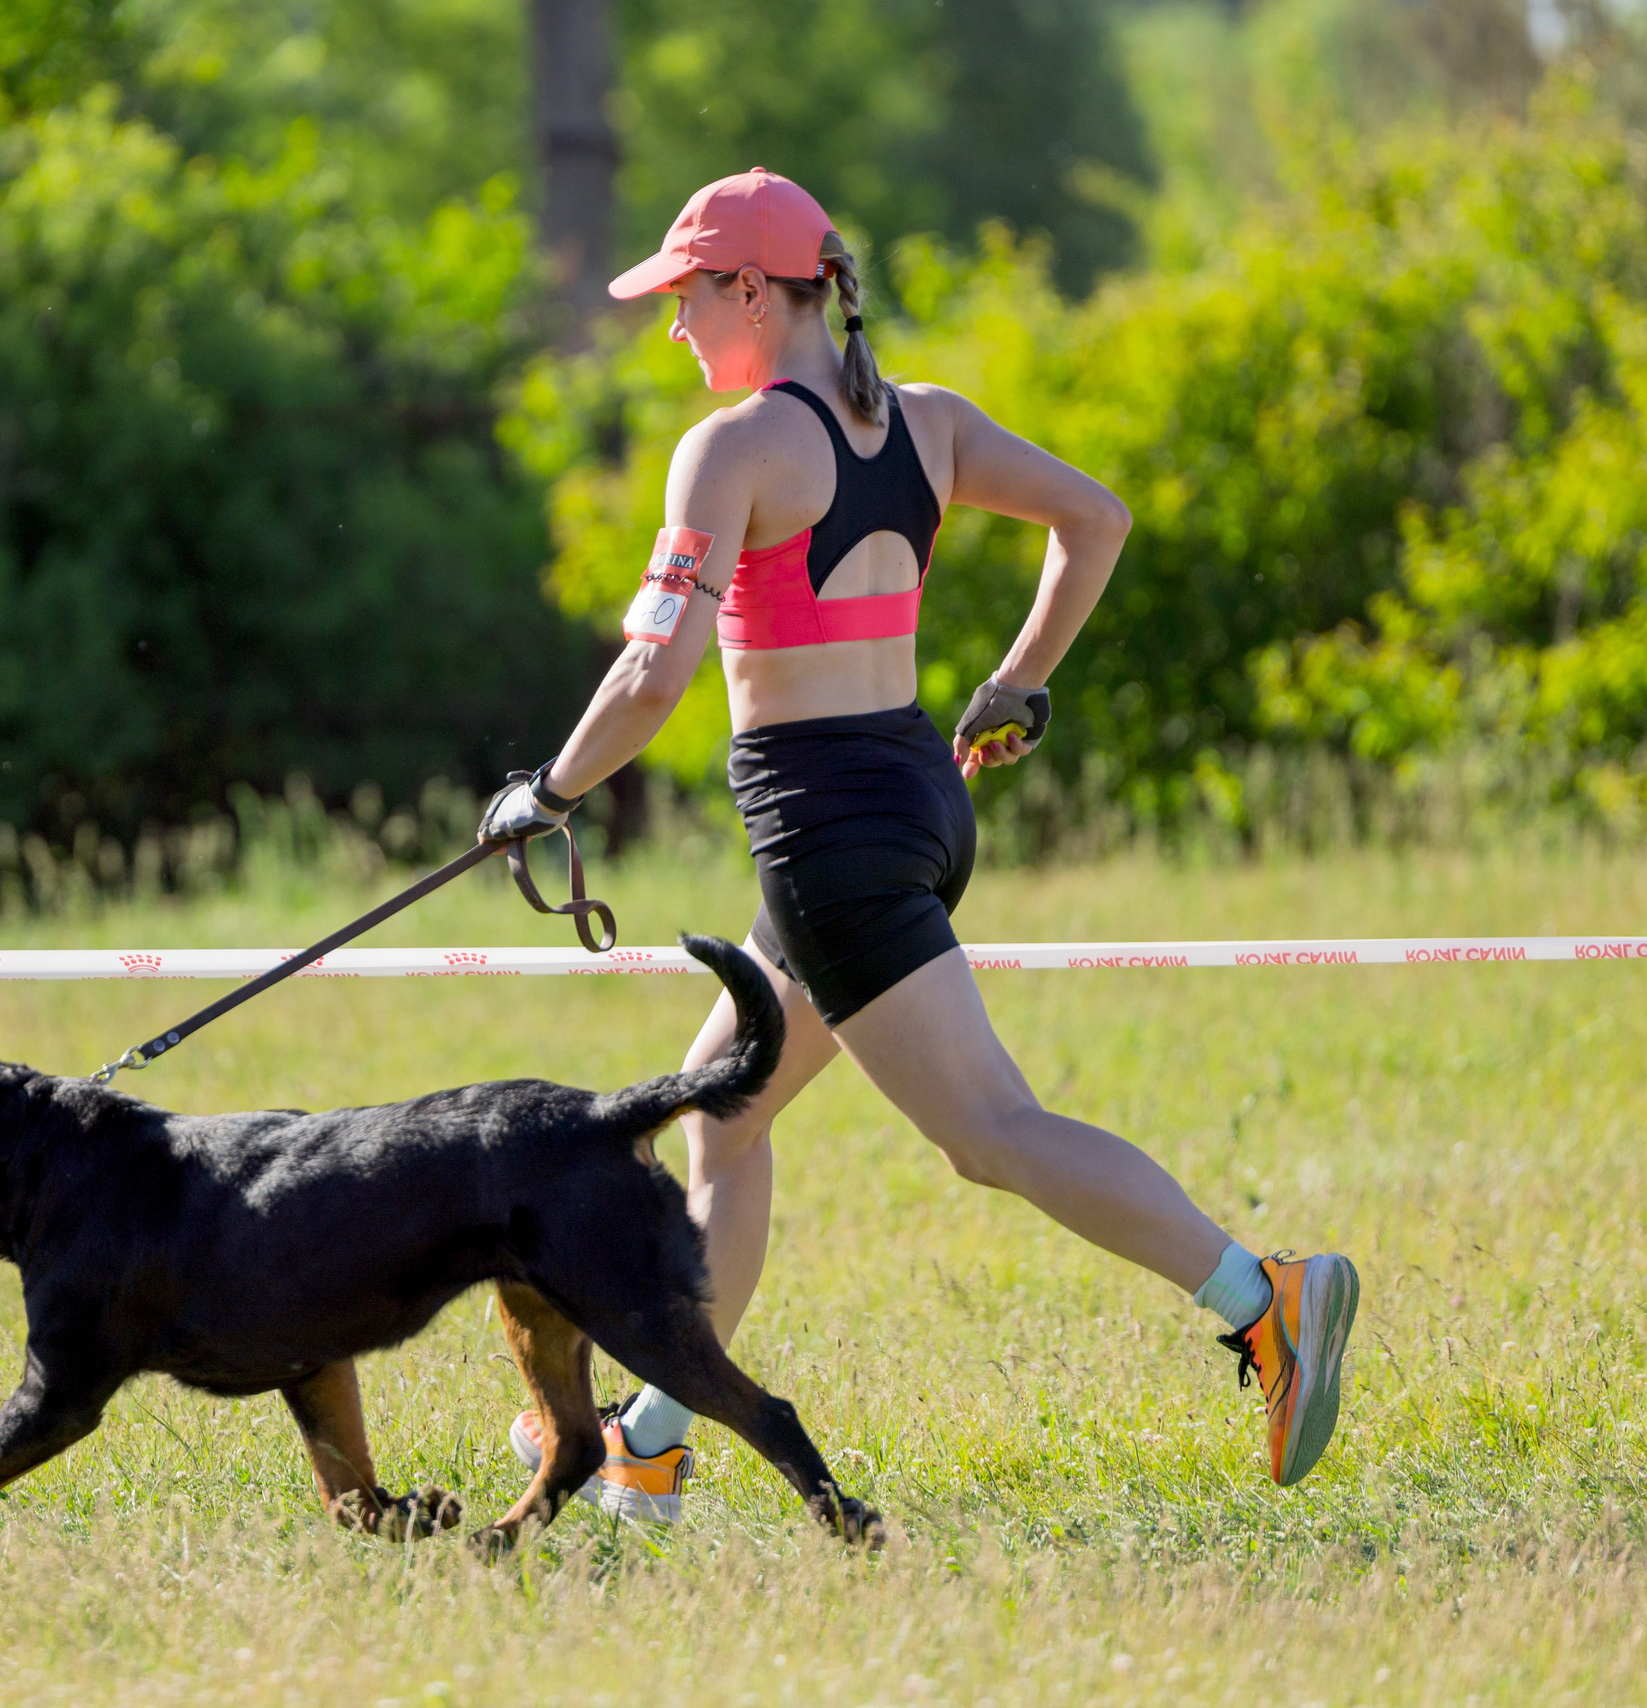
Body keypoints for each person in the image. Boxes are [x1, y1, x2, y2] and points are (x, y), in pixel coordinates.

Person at [478, 169, 1358, 1521]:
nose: (674, 330)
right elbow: (1096, 520)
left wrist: (547, 788)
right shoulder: (928, 424)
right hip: (908, 797)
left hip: (827, 829)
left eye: (687, 297)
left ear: (756, 293)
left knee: (991, 1133)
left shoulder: (732, 450)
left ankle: (1262, 1301)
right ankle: (650, 1439)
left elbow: (652, 680)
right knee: (722, 1112)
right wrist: (1017, 683)